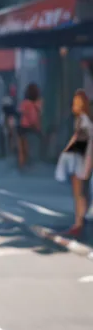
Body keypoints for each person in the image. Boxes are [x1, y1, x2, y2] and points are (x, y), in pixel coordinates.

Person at [55, 88, 93, 238]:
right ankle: (80, 221)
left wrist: (66, 155)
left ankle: (79, 223)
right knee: (82, 193)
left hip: (80, 161)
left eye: (76, 103)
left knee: (79, 194)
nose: (73, 106)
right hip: (83, 161)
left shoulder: (83, 121)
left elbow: (81, 143)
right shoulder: (85, 120)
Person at [17, 82, 42, 170]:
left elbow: (22, 113)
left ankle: (22, 163)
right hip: (34, 128)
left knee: (22, 147)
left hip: (24, 127)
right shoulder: (39, 103)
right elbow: (37, 116)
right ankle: (30, 162)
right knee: (32, 146)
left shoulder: (24, 103)